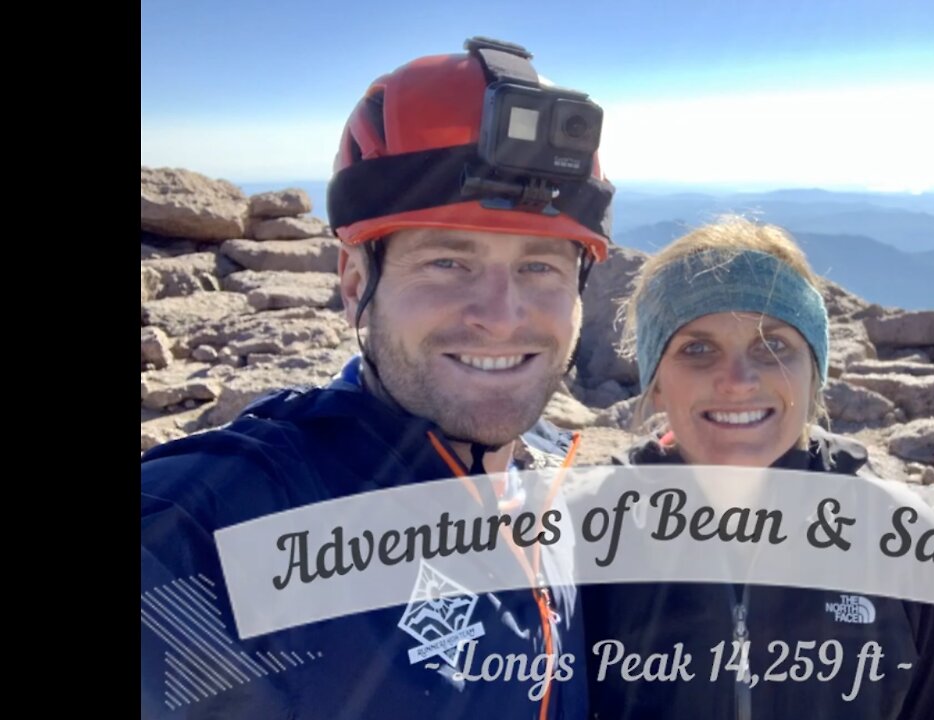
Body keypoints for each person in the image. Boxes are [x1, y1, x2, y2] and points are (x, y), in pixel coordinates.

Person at [141, 37, 615, 719]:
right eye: (448, 262)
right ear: (355, 282)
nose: (501, 318)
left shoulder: (551, 484)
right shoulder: (218, 527)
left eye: (541, 267)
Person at [580, 217, 934, 719]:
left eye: (773, 345)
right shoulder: (589, 533)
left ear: (813, 372)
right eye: (697, 348)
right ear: (655, 380)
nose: (738, 380)